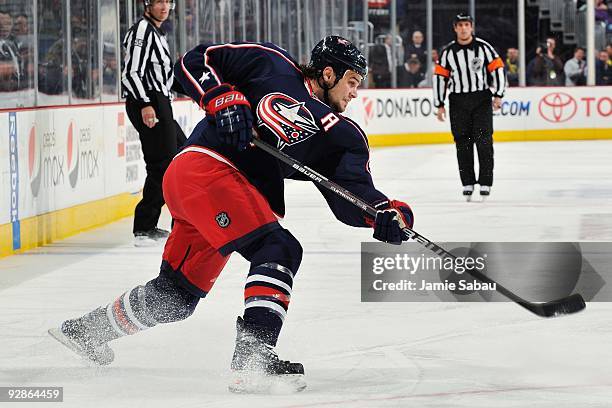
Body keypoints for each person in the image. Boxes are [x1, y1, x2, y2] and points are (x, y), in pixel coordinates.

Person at [48, 36, 414, 394]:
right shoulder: (272, 63)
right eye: (352, 82)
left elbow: (353, 195)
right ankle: (253, 359)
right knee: (279, 248)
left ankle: (87, 332)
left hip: (215, 196)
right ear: (329, 73)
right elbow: (195, 60)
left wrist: (385, 213)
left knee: (176, 298)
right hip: (204, 166)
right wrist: (220, 96)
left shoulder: (342, 136)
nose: (355, 93)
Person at [121, 0, 186, 246]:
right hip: (148, 101)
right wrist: (146, 103)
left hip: (159, 101)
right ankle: (144, 227)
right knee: (162, 163)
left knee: (182, 151)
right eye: (158, 1)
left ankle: (160, 222)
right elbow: (131, 72)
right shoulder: (142, 30)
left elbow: (166, 76)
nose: (164, 6)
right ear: (147, 4)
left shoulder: (158, 34)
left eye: (168, 2)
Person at [433, 13, 505, 201]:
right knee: (462, 143)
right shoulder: (448, 52)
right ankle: (467, 182)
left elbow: (498, 69)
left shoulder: (484, 48)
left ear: (472, 27)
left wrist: (498, 95)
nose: (464, 28)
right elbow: (440, 78)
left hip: (481, 99)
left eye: (467, 24)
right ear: (455, 28)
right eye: (460, 25)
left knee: (484, 141)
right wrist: (439, 104)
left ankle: (485, 182)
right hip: (457, 101)